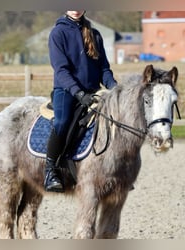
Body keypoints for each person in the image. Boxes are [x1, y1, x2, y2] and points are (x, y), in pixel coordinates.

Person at [44, 11, 117, 192]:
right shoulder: (58, 33)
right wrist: (78, 92)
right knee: (62, 122)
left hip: (93, 91)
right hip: (66, 90)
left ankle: (117, 168)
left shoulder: (95, 34)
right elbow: (60, 70)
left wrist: (116, 89)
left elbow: (104, 69)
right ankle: (50, 170)